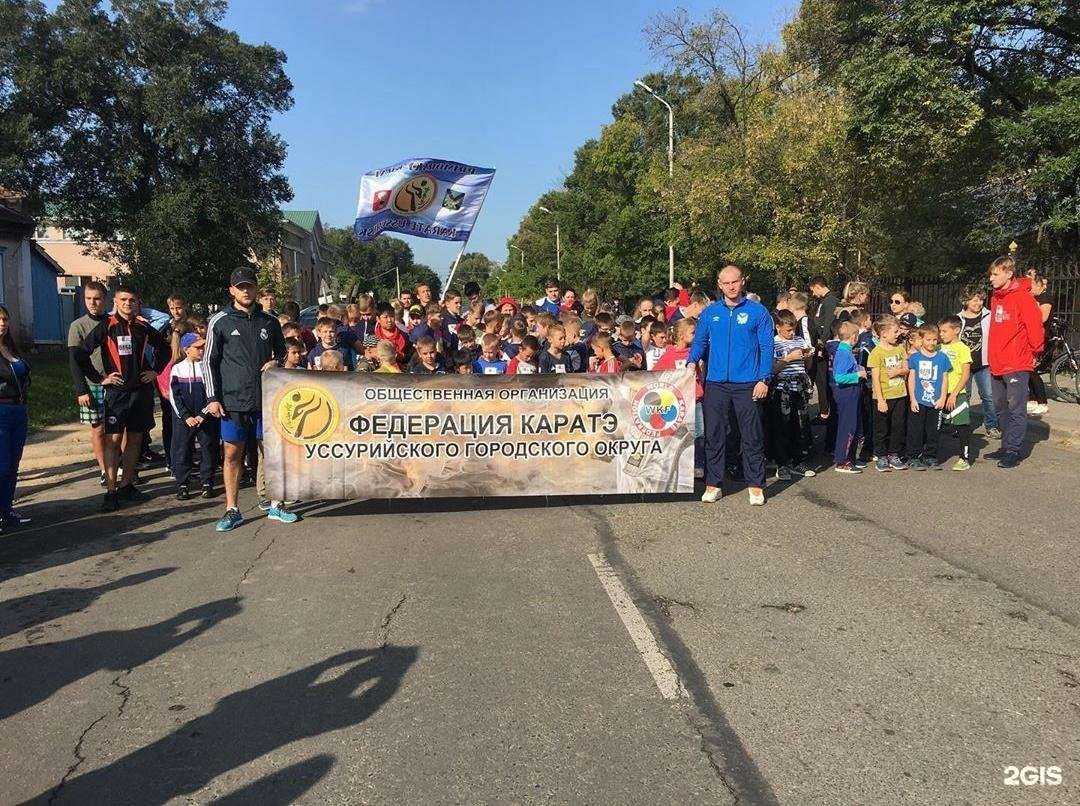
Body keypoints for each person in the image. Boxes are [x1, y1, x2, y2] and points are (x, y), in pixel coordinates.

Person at [204, 267, 296, 531]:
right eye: (240, 287)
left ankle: (277, 505)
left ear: (256, 289)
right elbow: (208, 362)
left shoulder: (269, 321)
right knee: (233, 454)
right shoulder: (219, 321)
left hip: (266, 400)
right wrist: (212, 397)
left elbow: (281, 353)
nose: (246, 291)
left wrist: (275, 362)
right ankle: (232, 509)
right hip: (232, 401)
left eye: (250, 286)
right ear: (231, 290)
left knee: (272, 453)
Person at [75, 286, 172, 511]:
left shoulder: (143, 327)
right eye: (123, 300)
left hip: (141, 393)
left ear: (138, 303)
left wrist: (155, 371)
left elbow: (165, 350)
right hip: (117, 394)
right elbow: (79, 354)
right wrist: (100, 379)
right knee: (113, 441)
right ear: (116, 302)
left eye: (132, 300)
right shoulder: (106, 326)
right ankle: (111, 490)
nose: (128, 304)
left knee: (136, 439)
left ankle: (127, 485)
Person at [690, 265, 773, 506]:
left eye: (735, 282)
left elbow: (767, 347)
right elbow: (700, 342)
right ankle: (713, 484)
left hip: (748, 382)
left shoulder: (758, 312)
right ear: (719, 284)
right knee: (714, 434)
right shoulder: (710, 313)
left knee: (751, 435)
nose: (731, 287)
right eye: (726, 283)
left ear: (742, 281)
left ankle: (755, 485)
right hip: (716, 382)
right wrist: (691, 362)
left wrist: (763, 378)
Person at [986, 256, 1044, 469]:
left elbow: (1035, 327)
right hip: (997, 361)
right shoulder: (996, 297)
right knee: (1000, 407)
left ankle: (1013, 450)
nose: (991, 278)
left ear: (1008, 274)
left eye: (995, 274)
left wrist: (1035, 351)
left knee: (1016, 407)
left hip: (1017, 362)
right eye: (991, 274)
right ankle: (1005, 445)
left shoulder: (1022, 297)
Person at [68, 282, 110, 485]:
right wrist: (81, 390)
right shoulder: (78, 326)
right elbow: (74, 361)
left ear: (105, 299)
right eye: (88, 298)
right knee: (98, 429)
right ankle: (104, 470)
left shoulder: (113, 322)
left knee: (120, 428)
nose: (92, 303)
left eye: (97, 298)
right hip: (92, 384)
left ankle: (117, 465)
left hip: (114, 381)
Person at [169, 333, 217, 500]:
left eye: (203, 346)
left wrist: (204, 413)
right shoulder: (177, 368)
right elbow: (174, 396)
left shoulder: (208, 366)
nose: (202, 350)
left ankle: (207, 482)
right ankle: (182, 483)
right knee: (182, 449)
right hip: (185, 418)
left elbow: (213, 392)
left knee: (208, 448)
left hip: (206, 416)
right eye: (197, 347)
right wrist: (185, 416)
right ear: (186, 350)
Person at [767, 310, 814, 480]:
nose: (791, 333)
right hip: (782, 389)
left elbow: (806, 366)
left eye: (793, 329)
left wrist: (808, 356)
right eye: (788, 330)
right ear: (778, 327)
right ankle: (782, 463)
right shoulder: (773, 343)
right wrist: (788, 358)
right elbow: (772, 369)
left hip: (799, 387)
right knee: (782, 427)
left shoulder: (799, 340)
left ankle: (798, 461)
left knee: (799, 425)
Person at [0, 305, 31, 531]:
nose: (2, 323)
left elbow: (24, 375)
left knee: (13, 465)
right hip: (1, 412)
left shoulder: (11, 347)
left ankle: (7, 511)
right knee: (1, 465)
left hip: (19, 411)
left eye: (5, 319)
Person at [905, 324, 951, 470]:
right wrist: (912, 399)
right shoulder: (915, 358)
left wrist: (943, 397)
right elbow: (911, 379)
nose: (931, 343)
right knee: (915, 430)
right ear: (921, 339)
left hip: (936, 402)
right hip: (919, 400)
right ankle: (913, 457)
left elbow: (945, 379)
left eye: (934, 340)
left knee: (933, 431)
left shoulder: (942, 358)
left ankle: (930, 456)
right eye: (928, 339)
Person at [866, 316, 909, 472]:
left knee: (897, 426)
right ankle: (881, 455)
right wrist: (880, 400)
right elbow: (875, 378)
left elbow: (906, 368)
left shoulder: (900, 349)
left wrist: (899, 371)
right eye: (895, 331)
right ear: (884, 333)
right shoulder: (876, 353)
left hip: (900, 395)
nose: (898, 334)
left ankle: (893, 453)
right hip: (883, 397)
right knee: (881, 428)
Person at [957, 287, 1000, 438]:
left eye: (980, 300)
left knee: (988, 395)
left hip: (984, 363)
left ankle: (992, 425)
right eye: (974, 300)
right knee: (964, 395)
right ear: (966, 301)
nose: (978, 303)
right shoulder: (958, 318)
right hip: (964, 365)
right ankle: (961, 426)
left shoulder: (989, 315)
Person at [937, 316, 974, 470]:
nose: (941, 334)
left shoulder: (963, 349)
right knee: (937, 426)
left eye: (945, 331)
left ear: (956, 330)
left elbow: (965, 375)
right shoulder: (938, 347)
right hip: (940, 394)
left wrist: (953, 394)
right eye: (940, 331)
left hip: (957, 394)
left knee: (962, 425)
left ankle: (964, 458)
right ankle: (932, 453)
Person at [831, 322, 867, 473]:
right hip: (847, 394)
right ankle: (842, 461)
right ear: (854, 337)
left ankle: (849, 458)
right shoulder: (844, 352)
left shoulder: (845, 351)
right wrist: (857, 375)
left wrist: (857, 369)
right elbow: (839, 377)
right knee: (848, 427)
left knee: (851, 425)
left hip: (851, 394)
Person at [808, 276, 839, 422]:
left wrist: (821, 343)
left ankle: (825, 413)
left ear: (818, 286)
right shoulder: (824, 301)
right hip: (821, 344)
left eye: (813, 290)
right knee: (820, 380)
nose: (813, 294)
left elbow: (828, 324)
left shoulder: (831, 301)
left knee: (823, 380)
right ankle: (823, 410)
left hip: (824, 346)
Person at [1027, 272, 1052, 416]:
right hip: (1032, 336)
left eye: (1032, 286)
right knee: (1027, 368)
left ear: (1039, 285)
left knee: (1032, 369)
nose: (1030, 290)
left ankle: (1042, 402)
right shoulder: (1035, 296)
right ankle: (1032, 399)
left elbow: (1042, 318)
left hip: (1041, 337)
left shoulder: (1045, 297)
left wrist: (1033, 304)